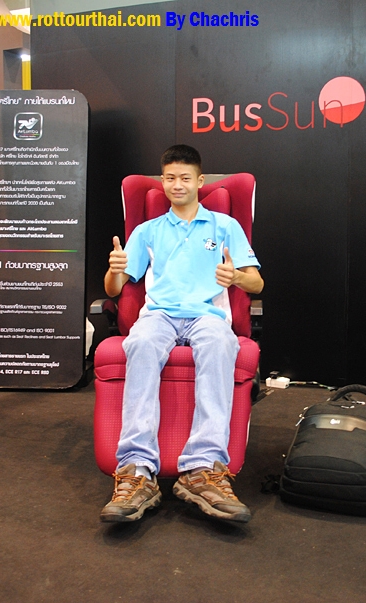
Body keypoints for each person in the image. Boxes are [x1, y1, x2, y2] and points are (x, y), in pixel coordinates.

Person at [100, 144, 264, 524]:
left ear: (199, 181)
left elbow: (256, 283)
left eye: (185, 178)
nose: (177, 184)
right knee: (140, 341)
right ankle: (137, 470)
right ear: (163, 181)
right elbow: (115, 288)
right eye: (170, 178)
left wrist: (236, 278)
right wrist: (114, 270)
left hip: (207, 315)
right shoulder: (147, 231)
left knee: (220, 343)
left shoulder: (225, 226)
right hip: (160, 315)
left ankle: (202, 468)